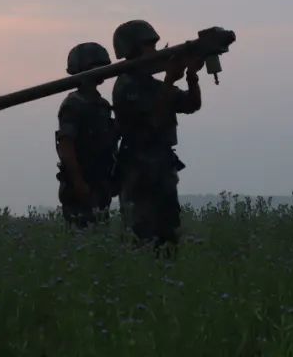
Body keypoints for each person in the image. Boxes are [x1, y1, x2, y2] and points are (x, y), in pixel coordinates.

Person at [110, 20, 204, 248]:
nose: (155, 51)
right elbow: (153, 121)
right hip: (138, 169)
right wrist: (170, 78)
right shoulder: (126, 85)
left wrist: (192, 75)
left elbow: (192, 104)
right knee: (141, 235)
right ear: (132, 49)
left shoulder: (153, 85)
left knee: (168, 234)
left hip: (161, 166)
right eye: (148, 46)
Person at [55, 42, 119, 228]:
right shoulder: (73, 104)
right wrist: (78, 181)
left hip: (101, 181)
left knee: (100, 230)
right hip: (82, 182)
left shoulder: (102, 104)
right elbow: (66, 145)